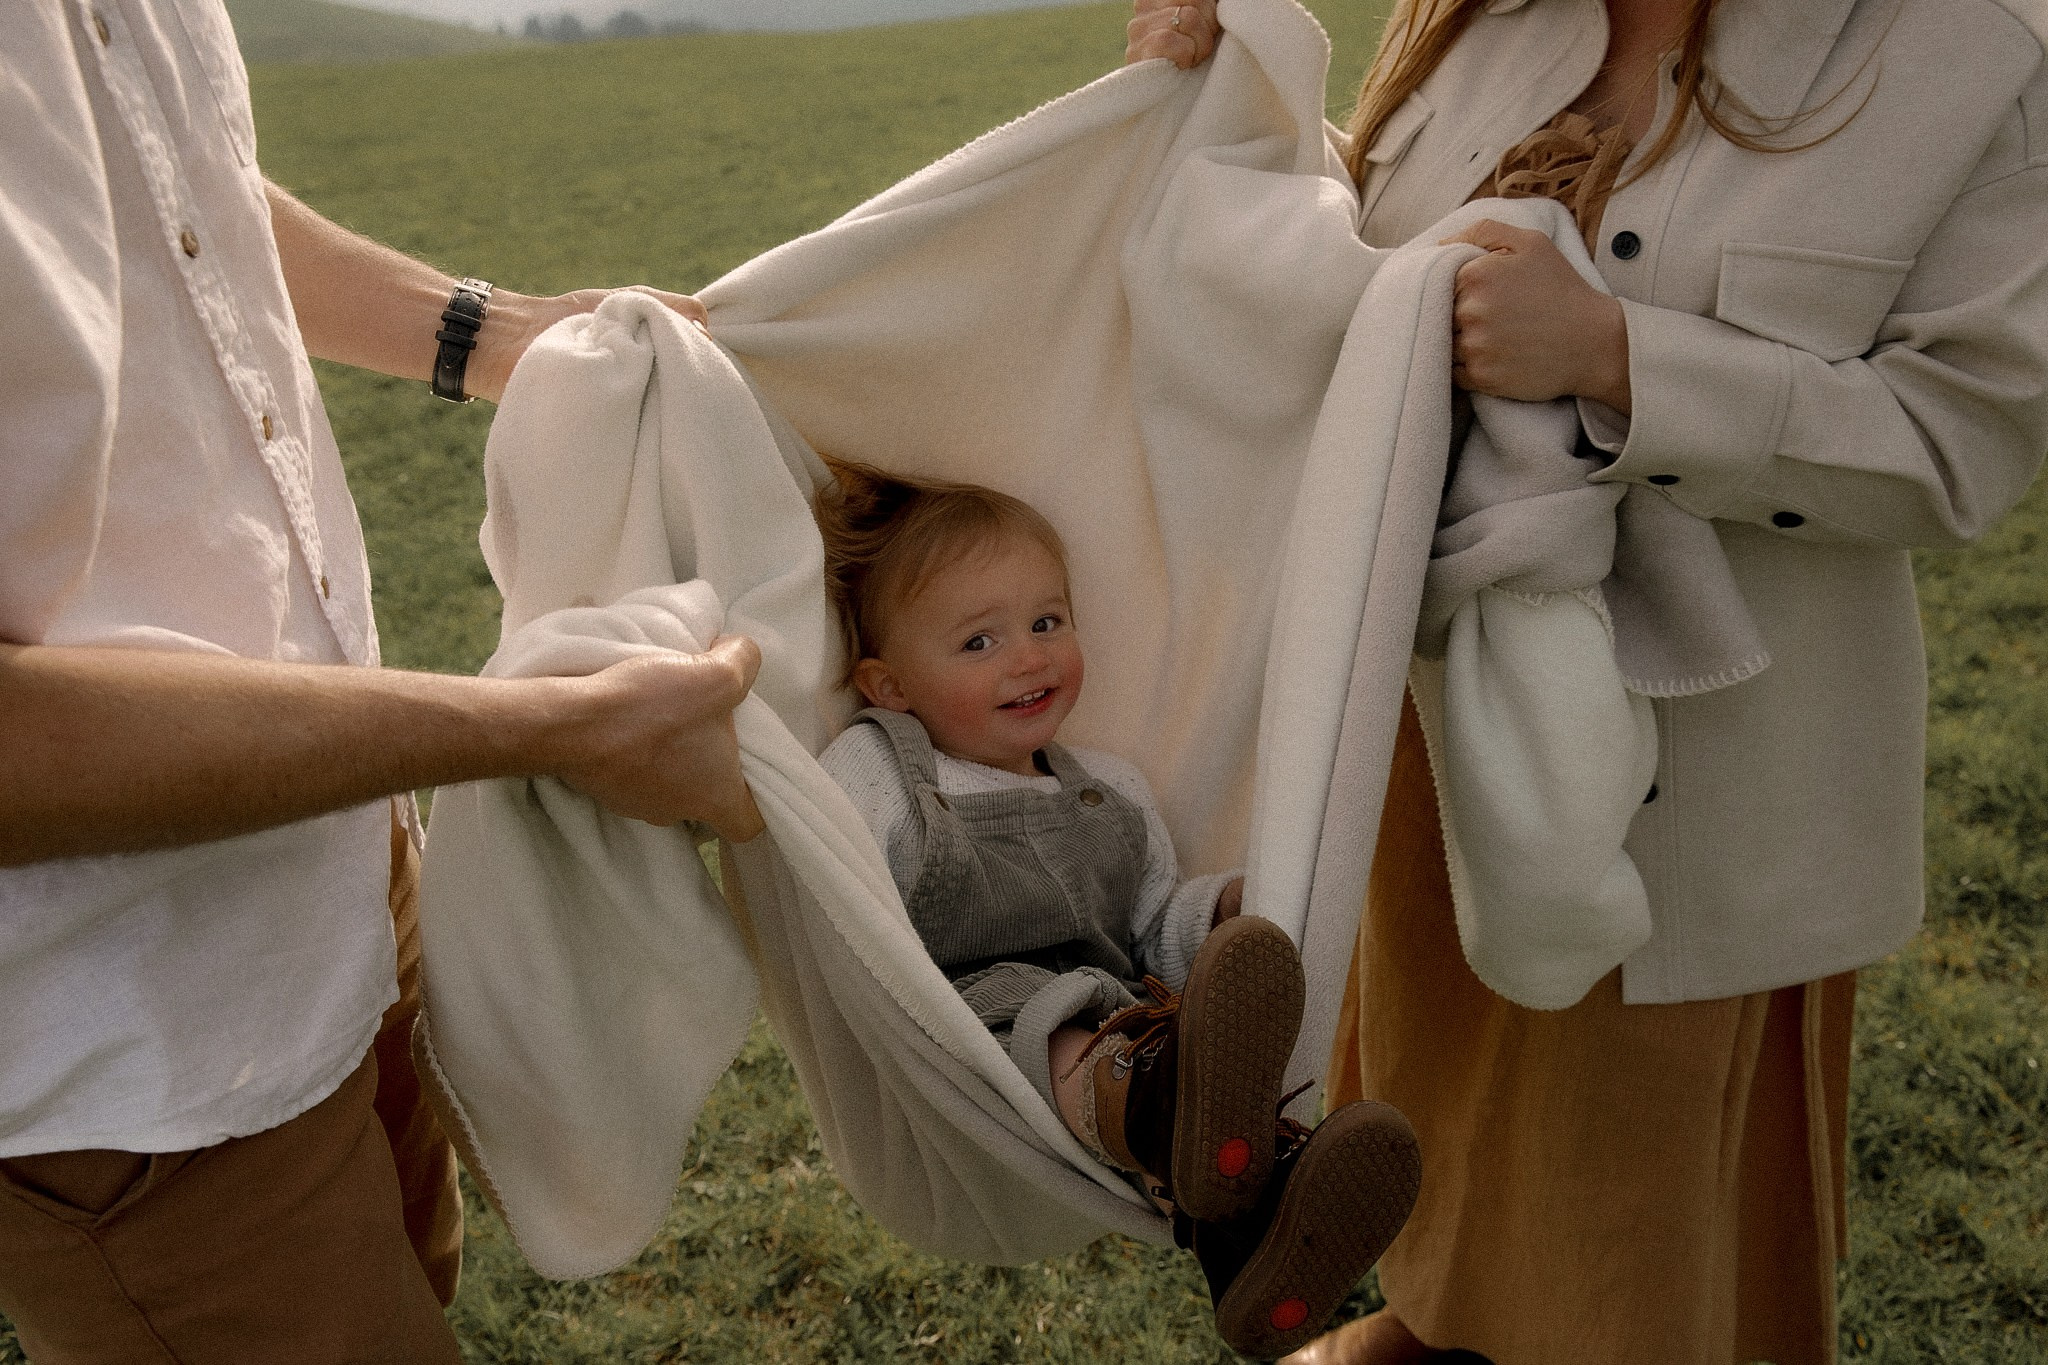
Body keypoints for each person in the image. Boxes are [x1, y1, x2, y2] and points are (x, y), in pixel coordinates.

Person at [1130, 0, 2048, 1361]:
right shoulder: (1476, 17)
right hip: (1425, 751)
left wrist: (1618, 359)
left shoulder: (1974, 50)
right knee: (1445, 1175)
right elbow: (1383, 265)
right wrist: (1234, 98)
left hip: (1692, 812)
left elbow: (1958, 442)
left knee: (1621, 1267)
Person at [0, 2, 762, 1359]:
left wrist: (490, 332)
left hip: (335, 865)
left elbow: (169, 180)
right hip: (134, 1046)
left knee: (419, 1282)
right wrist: (545, 728)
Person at [813, 460, 1422, 1358]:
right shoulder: (884, 769)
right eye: (979, 642)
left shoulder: (1113, 793)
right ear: (890, 686)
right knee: (1057, 1016)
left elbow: (1149, 929)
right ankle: (1172, 1109)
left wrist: (1223, 909)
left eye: (1047, 622)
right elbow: (833, 876)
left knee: (1148, 1014)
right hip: (981, 1032)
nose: (1029, 657)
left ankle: (1249, 1237)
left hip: (1126, 1015)